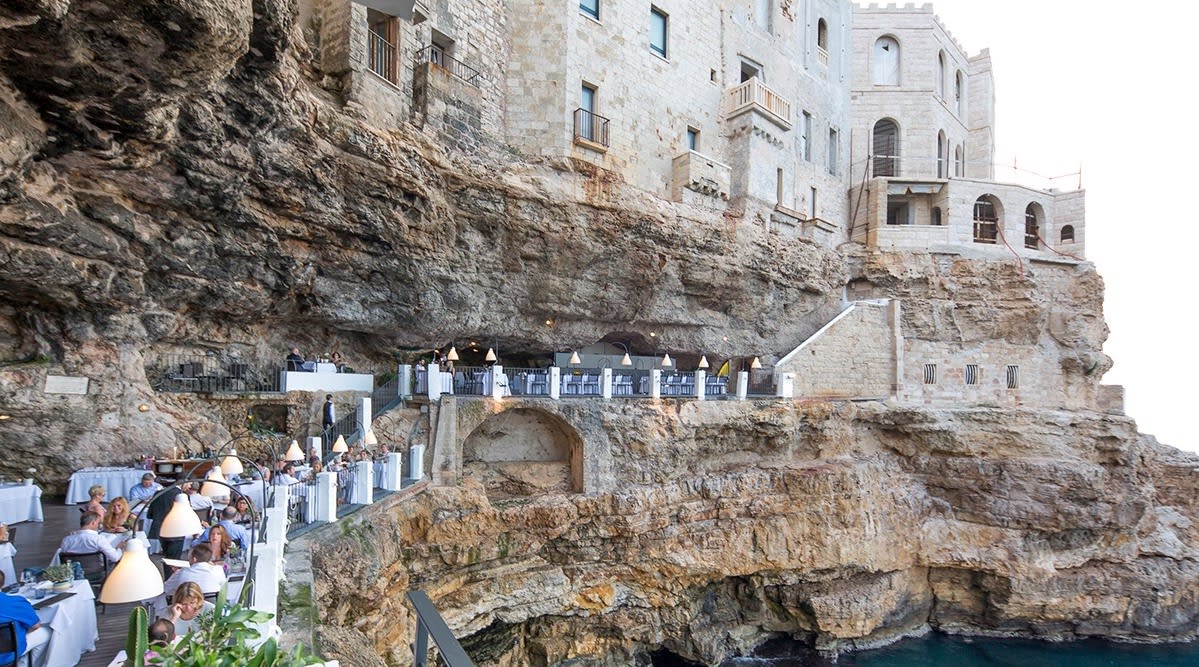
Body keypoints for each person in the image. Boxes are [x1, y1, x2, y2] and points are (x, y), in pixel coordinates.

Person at [0, 570, 45, 665]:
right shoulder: (15, 602)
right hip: (7, 654)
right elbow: (35, 626)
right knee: (46, 632)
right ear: (3, 584)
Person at [161, 544, 226, 604]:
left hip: (186, 611)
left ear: (194, 559)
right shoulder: (218, 570)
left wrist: (175, 574)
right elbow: (223, 587)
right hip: (211, 610)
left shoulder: (182, 572)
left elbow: (166, 589)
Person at [60, 511, 124, 563]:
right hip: (96, 573)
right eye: (98, 523)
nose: (99, 526)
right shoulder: (98, 539)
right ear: (93, 523)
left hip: (73, 573)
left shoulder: (66, 540)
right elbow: (115, 558)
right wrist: (119, 548)